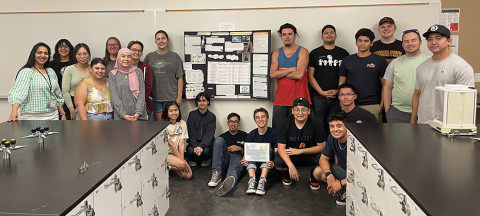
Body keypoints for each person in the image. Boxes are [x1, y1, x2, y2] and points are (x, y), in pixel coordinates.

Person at [411, 24, 474, 124]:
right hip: (423, 124)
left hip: (448, 126)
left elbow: (465, 102)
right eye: (430, 39)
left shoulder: (461, 67)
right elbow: (417, 94)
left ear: (449, 41)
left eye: (438, 38)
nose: (433, 42)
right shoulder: (421, 67)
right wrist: (413, 120)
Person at [274, 97, 326, 190]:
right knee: (278, 161)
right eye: (297, 110)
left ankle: (314, 175)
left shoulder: (316, 123)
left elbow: (322, 147)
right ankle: (288, 174)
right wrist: (290, 166)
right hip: (291, 155)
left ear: (309, 111)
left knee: (324, 158)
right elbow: (281, 148)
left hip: (310, 154)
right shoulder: (284, 123)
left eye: (304, 110)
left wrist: (301, 151)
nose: (300, 113)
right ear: (292, 111)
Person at [339, 28, 388, 123]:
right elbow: (341, 83)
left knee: (373, 136)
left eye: (366, 41)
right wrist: (342, 103)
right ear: (356, 42)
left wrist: (381, 106)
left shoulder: (379, 60)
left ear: (371, 43)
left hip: (372, 105)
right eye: (360, 40)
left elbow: (385, 86)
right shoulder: (347, 60)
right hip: (351, 104)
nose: (362, 43)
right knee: (350, 135)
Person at [8, 42, 66, 121]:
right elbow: (18, 93)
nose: (43, 56)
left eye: (46, 53)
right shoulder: (26, 72)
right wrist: (14, 111)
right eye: (39, 53)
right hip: (31, 116)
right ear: (34, 54)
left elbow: (57, 94)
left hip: (52, 115)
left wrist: (62, 114)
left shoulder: (51, 72)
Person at [308, 24, 349, 132]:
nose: (329, 35)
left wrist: (339, 92)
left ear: (336, 35)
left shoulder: (343, 53)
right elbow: (310, 76)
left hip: (337, 97)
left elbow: (345, 75)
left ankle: (335, 147)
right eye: (326, 33)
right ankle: (322, 148)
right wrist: (321, 92)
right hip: (318, 97)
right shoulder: (314, 53)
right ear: (322, 37)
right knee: (319, 124)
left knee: (337, 124)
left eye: (331, 32)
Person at [270, 23, 310, 131]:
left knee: (300, 130)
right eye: (284, 34)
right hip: (281, 98)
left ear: (295, 35)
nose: (287, 37)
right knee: (278, 130)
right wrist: (290, 69)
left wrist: (281, 72)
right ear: (281, 36)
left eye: (290, 34)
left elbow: (299, 74)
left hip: (300, 97)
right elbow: (272, 74)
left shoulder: (303, 51)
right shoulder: (276, 52)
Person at [383, 29, 428, 123]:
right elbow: (387, 87)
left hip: (423, 113)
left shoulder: (429, 62)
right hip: (398, 113)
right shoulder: (395, 63)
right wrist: (388, 111)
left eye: (413, 40)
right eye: (406, 41)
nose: (410, 44)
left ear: (420, 42)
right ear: (402, 44)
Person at [144, 30, 184, 120]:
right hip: (155, 99)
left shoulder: (175, 57)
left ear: (167, 40)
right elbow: (143, 77)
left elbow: (180, 77)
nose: (161, 41)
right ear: (155, 41)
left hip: (171, 98)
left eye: (163, 38)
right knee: (159, 125)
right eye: (158, 39)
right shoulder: (149, 57)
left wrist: (179, 97)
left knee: (172, 124)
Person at [312, 112, 349, 206]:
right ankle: (346, 189)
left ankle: (349, 192)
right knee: (318, 172)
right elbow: (323, 159)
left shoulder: (354, 141)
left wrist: (341, 183)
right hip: (344, 170)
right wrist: (330, 177)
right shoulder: (332, 138)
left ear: (347, 127)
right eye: (332, 126)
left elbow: (361, 173)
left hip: (359, 175)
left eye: (339, 126)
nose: (335, 129)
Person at [241, 107, 278, 196]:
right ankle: (252, 181)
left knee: (266, 148)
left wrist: (275, 162)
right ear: (255, 120)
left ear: (267, 119)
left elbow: (277, 152)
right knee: (252, 150)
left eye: (263, 117)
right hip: (254, 166)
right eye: (257, 117)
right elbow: (246, 153)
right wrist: (244, 160)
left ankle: (262, 181)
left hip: (269, 165)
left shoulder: (274, 133)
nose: (260, 119)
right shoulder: (251, 134)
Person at [209, 113, 248, 197]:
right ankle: (216, 173)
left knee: (235, 157)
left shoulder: (245, 135)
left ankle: (226, 184)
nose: (233, 124)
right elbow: (217, 154)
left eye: (235, 122)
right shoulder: (223, 136)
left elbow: (250, 154)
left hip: (238, 159)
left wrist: (240, 149)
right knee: (218, 140)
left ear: (238, 124)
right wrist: (225, 150)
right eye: (231, 121)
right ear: (227, 123)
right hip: (225, 161)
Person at [108, 48, 147, 121]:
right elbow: (114, 97)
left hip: (139, 116)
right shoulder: (113, 74)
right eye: (123, 56)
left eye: (129, 56)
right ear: (118, 58)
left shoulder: (138, 71)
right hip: (121, 116)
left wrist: (137, 113)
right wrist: (123, 115)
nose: (126, 59)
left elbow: (142, 93)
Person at [162, 101, 192, 180]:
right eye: (171, 111)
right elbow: (171, 145)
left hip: (176, 153)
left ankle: (169, 167)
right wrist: (183, 163)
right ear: (166, 112)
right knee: (182, 165)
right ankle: (163, 166)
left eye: (176, 110)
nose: (174, 113)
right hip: (166, 153)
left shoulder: (182, 123)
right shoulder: (163, 125)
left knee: (188, 175)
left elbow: (181, 144)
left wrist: (181, 159)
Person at [62, 43, 91, 120]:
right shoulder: (69, 69)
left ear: (89, 55)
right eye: (79, 54)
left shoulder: (94, 69)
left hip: (90, 105)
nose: (82, 57)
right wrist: (71, 110)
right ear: (75, 55)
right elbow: (65, 91)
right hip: (72, 104)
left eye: (85, 54)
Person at [186, 92, 216, 167]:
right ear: (197, 102)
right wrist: (196, 146)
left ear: (208, 102)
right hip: (194, 143)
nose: (202, 103)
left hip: (206, 144)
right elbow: (191, 132)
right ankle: (193, 159)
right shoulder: (192, 115)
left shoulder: (212, 117)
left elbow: (209, 134)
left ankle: (206, 159)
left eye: (204, 101)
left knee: (206, 151)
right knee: (190, 151)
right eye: (199, 101)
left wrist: (201, 146)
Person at [127, 41, 154, 120]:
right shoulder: (122, 67)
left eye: (139, 51)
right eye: (134, 50)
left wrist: (139, 102)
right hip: (127, 108)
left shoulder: (146, 67)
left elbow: (148, 87)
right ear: (128, 50)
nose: (137, 52)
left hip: (144, 106)